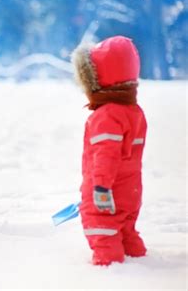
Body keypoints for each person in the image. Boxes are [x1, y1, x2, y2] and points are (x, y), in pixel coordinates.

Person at [71, 36, 147, 265]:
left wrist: (101, 188)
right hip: (130, 189)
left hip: (108, 190)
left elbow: (106, 154)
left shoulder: (107, 116)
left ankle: (109, 273)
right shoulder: (134, 111)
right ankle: (140, 262)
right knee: (125, 230)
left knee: (102, 229)